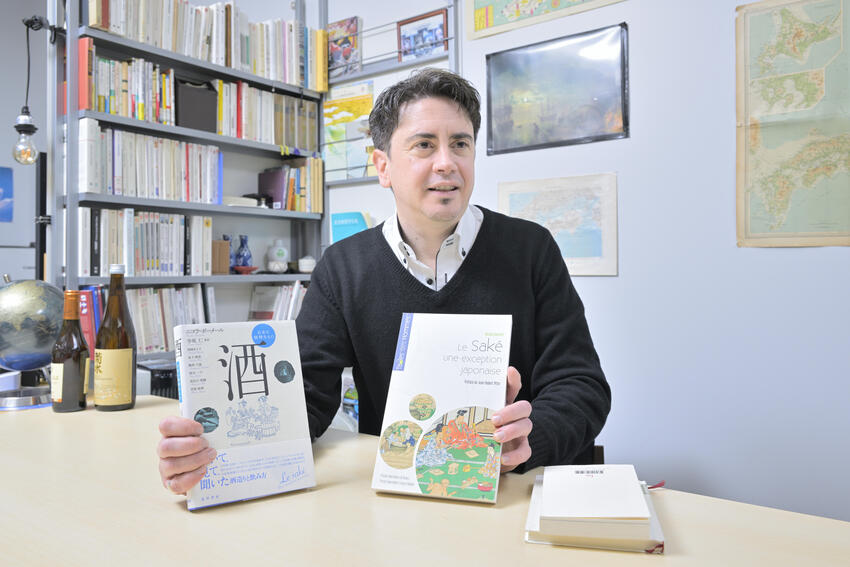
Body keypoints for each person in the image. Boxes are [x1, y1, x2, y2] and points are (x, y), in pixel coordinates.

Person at [157, 68, 611, 495]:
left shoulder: (531, 249)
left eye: (460, 144)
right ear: (383, 166)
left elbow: (581, 384)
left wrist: (532, 439)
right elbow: (306, 396)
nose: (446, 163)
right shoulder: (343, 267)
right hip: (397, 496)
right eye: (423, 145)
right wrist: (215, 452)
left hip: (512, 491)